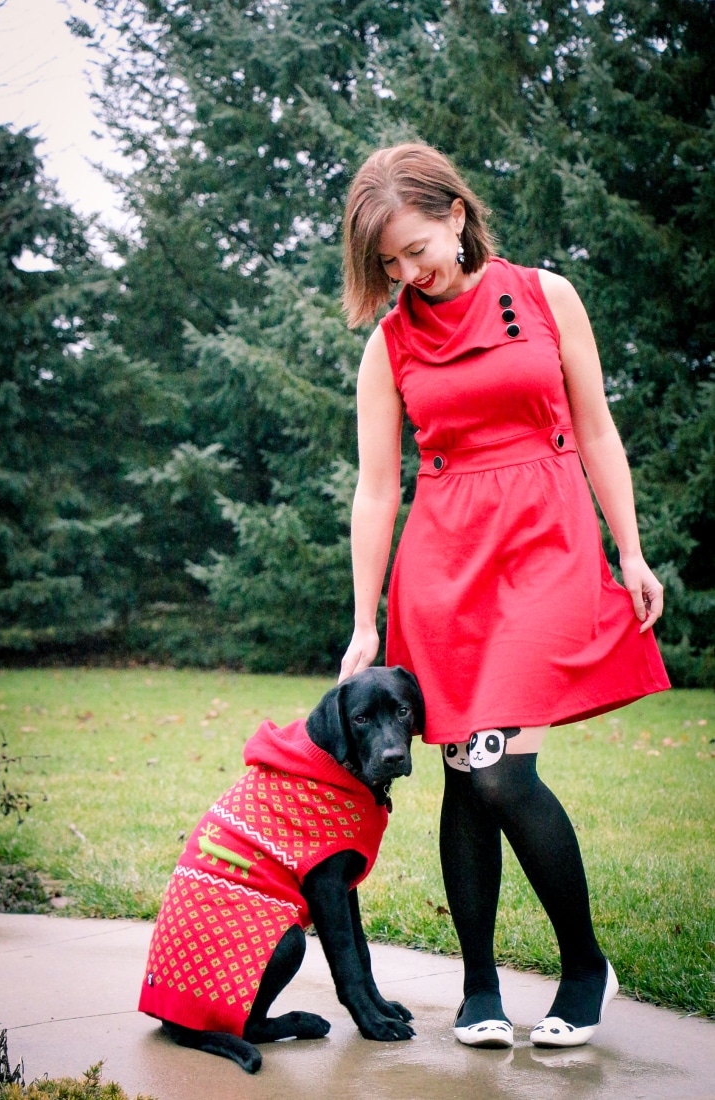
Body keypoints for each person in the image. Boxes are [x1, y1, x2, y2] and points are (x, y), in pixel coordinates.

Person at [338, 142, 670, 1050]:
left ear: (454, 212)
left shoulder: (543, 293)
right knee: (461, 779)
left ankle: (581, 966)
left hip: (547, 542)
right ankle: (479, 988)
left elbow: (596, 430)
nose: (406, 273)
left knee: (497, 768)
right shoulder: (391, 340)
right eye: (388, 264)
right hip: (444, 564)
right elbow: (377, 487)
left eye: (415, 248)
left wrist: (631, 554)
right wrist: (365, 621)